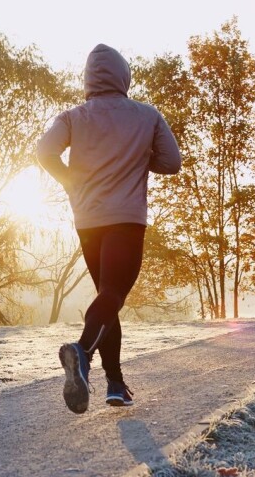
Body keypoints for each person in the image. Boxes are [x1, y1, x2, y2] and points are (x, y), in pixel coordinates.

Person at [36, 44, 181, 414]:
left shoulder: (72, 117)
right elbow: (172, 161)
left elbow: (44, 153)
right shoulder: (146, 116)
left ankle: (115, 383)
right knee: (113, 294)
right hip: (127, 218)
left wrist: (72, 183)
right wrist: (138, 155)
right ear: (124, 76)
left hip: (87, 220)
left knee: (107, 295)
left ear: (88, 79)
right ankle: (82, 353)